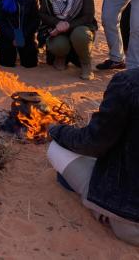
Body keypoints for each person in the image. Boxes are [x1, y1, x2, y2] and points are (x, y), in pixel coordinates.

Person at [48, 69, 139, 246]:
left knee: (55, 149)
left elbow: (92, 143)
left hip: (130, 215)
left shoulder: (129, 83)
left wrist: (56, 130)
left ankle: (103, 211)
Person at [39, 0, 97, 80]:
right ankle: (61, 57)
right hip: (57, 29)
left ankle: (85, 63)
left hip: (79, 27)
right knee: (59, 45)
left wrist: (67, 25)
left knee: (80, 35)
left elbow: (88, 16)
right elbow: (43, 14)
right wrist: (57, 23)